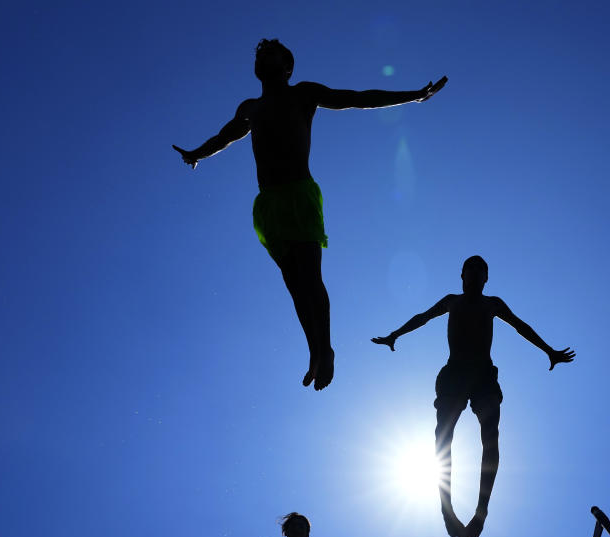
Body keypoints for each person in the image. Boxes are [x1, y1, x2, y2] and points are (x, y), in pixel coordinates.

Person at [173, 39, 448, 391]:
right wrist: (197, 153)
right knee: (294, 285)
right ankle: (314, 350)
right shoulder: (250, 108)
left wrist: (412, 95)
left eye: (271, 54)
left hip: (298, 193)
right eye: (260, 56)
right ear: (256, 68)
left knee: (310, 275)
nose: (264, 58)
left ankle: (326, 348)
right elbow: (224, 137)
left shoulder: (303, 93)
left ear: (287, 67)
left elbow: (357, 99)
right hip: (269, 204)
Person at [372, 256, 574, 537]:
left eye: (482, 269)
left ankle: (481, 511)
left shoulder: (493, 304)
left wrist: (548, 350)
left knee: (490, 437)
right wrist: (396, 334)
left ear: (486, 277)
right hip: (454, 374)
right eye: (472, 268)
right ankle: (447, 507)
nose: (477, 272)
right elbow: (423, 317)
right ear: (462, 274)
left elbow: (520, 326)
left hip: (483, 376)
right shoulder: (452, 301)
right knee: (443, 438)